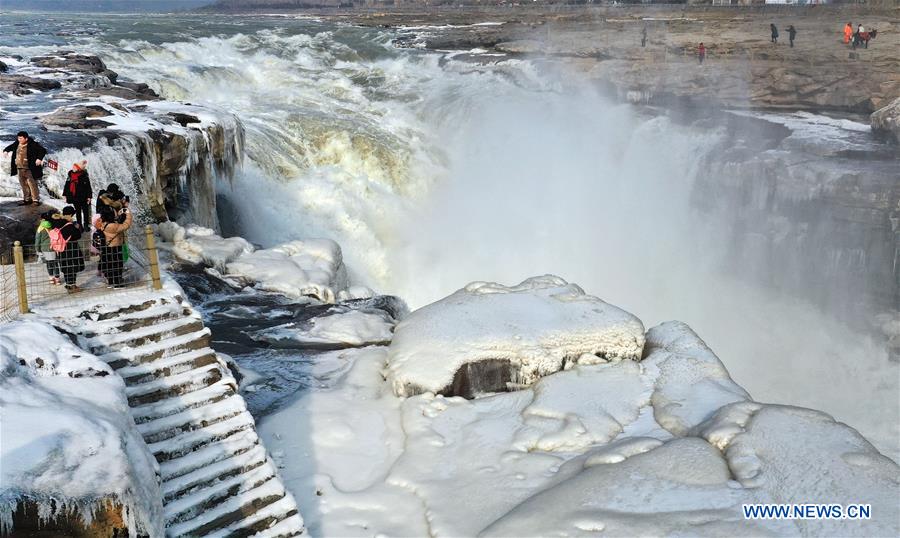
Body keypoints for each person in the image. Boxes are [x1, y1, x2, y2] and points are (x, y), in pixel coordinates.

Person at [2, 131, 47, 206]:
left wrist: (39, 159)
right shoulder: (17, 143)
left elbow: (42, 150)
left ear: (26, 138)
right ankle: (27, 199)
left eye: (21, 138)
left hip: (29, 168)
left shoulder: (32, 144)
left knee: (32, 184)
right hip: (20, 168)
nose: (19, 139)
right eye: (18, 138)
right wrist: (6, 151)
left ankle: (36, 200)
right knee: (23, 184)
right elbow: (11, 147)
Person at [99, 201, 133, 288]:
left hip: (107, 247)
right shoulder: (113, 226)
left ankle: (110, 282)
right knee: (117, 264)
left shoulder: (103, 223)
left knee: (109, 264)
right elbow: (126, 225)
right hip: (115, 247)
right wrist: (128, 213)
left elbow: (116, 221)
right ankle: (118, 283)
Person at [55, 206, 84, 293]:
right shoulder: (69, 225)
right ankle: (72, 286)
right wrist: (77, 228)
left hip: (61, 249)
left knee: (66, 267)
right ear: (71, 214)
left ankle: (68, 284)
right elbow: (77, 235)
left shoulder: (57, 223)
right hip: (71, 249)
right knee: (72, 267)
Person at [63, 160, 93, 228]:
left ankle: (86, 225)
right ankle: (80, 225)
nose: (73, 169)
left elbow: (88, 187)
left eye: (75, 167)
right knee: (78, 212)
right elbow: (67, 185)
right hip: (74, 197)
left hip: (84, 197)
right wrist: (64, 195)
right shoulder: (70, 175)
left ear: (78, 169)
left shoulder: (84, 175)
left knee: (86, 212)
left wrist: (89, 196)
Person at [34, 210, 60, 286]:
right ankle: (57, 278)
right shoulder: (53, 225)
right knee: (55, 263)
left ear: (42, 219)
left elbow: (37, 240)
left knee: (49, 263)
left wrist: (37, 249)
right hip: (55, 246)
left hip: (45, 248)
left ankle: (51, 278)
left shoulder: (40, 228)